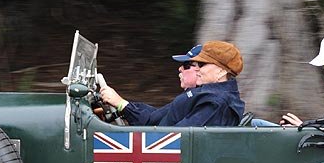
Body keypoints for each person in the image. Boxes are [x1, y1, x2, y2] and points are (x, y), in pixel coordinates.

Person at [99, 40, 245, 127]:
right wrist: (122, 107)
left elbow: (180, 138)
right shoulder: (207, 95)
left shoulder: (215, 102)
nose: (197, 69)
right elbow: (158, 118)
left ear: (221, 72)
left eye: (202, 64)